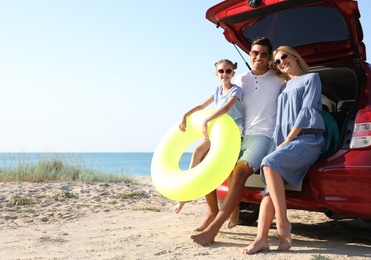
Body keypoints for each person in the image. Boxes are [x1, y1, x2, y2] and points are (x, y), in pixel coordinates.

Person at [190, 37, 285, 245]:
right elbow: (222, 104)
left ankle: (213, 230)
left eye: (263, 54)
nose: (258, 57)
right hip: (237, 135)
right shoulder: (240, 80)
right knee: (208, 162)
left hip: (263, 136)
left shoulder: (280, 79)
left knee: (239, 172)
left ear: (269, 58)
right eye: (254, 53)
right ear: (249, 54)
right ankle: (212, 209)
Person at [242, 46, 325, 254]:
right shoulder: (284, 86)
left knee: (268, 163)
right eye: (277, 62)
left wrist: (288, 139)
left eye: (284, 57)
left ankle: (283, 223)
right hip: (283, 141)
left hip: (306, 139)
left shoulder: (312, 78)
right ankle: (261, 238)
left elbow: (306, 112)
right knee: (268, 191)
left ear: (295, 56)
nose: (281, 63)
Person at [174, 59, 243, 214]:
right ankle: (188, 191)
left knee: (230, 172)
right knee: (198, 150)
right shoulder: (217, 90)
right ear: (216, 73)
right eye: (221, 71)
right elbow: (201, 106)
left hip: (233, 131)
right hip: (219, 129)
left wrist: (207, 119)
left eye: (228, 71)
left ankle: (234, 210)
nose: (224, 74)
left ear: (233, 73)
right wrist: (185, 114)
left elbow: (226, 108)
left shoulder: (236, 91)